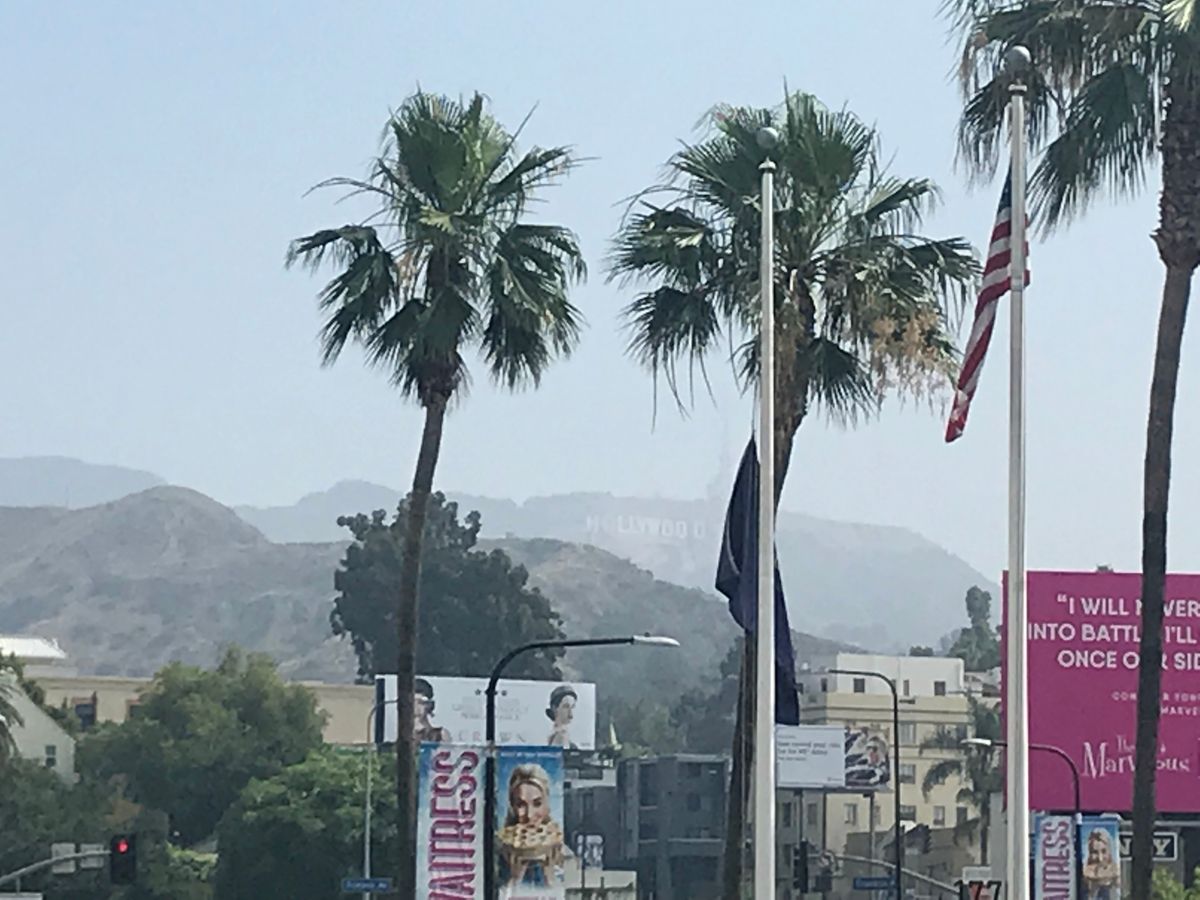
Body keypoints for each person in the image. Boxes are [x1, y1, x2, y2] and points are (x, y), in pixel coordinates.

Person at [497, 763, 567, 892]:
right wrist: (514, 879)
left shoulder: (562, 851)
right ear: (512, 806)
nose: (529, 815)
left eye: (537, 803)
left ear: (546, 804)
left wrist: (550, 878)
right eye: (521, 804)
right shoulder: (498, 854)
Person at [1082, 827, 1120, 899]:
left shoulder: (1118, 873)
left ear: (1110, 851)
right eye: (1095, 852)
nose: (1100, 859)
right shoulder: (1082, 876)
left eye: (1104, 851)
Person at [413, 678, 451, 743]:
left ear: (429, 705)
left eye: (421, 703)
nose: (416, 708)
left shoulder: (440, 735)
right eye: (412, 703)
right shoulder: (401, 734)